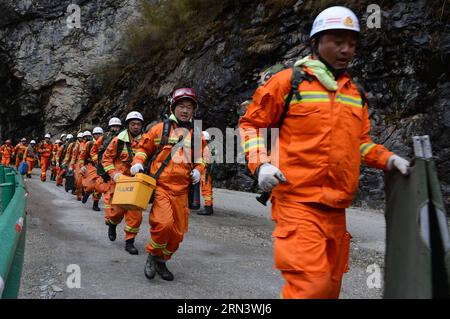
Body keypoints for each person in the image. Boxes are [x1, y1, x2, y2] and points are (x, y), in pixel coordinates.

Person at [238, 6, 410, 299]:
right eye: (338, 41)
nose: (347, 50)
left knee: (329, 290)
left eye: (352, 44)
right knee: (311, 288)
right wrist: (261, 165)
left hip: (336, 210)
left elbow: (361, 143)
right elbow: (251, 125)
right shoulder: (288, 82)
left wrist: (388, 159)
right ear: (316, 42)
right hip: (297, 203)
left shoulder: (354, 93)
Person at [130, 87, 206, 281]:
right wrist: (137, 163)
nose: (185, 110)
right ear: (174, 107)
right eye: (181, 106)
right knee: (163, 225)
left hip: (182, 191)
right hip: (162, 187)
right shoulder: (160, 129)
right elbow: (143, 148)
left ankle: (162, 261)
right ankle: (152, 254)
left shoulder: (196, 134)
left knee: (177, 234)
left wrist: (199, 169)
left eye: (189, 107)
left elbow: (202, 157)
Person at [102, 112, 144, 255]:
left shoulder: (146, 141)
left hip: (137, 183)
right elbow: (106, 159)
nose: (136, 127)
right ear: (128, 125)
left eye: (138, 124)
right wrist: (114, 174)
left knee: (135, 215)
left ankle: (130, 241)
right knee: (116, 212)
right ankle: (112, 224)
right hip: (120, 182)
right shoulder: (118, 141)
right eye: (133, 124)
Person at [91, 117, 123, 223]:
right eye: (113, 126)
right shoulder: (104, 137)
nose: (115, 128)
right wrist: (98, 163)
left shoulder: (123, 137)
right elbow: (94, 150)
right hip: (105, 168)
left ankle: (113, 216)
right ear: (109, 127)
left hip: (118, 169)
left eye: (117, 126)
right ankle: (108, 217)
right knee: (106, 192)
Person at [80, 127, 104, 211]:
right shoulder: (89, 144)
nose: (98, 136)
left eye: (100, 134)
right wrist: (82, 165)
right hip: (90, 165)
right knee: (91, 185)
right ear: (93, 135)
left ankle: (95, 203)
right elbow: (82, 156)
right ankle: (87, 192)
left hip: (101, 166)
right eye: (96, 134)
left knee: (99, 185)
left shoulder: (105, 143)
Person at [197, 131, 214, 216]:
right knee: (208, 190)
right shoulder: (209, 147)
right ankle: (209, 206)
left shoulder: (206, 148)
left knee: (206, 189)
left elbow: (205, 161)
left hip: (206, 172)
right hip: (208, 171)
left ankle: (208, 208)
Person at [70, 132, 86, 200]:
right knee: (78, 180)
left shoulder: (87, 144)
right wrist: (71, 165)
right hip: (77, 163)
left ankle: (82, 193)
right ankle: (79, 194)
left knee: (84, 180)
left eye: (82, 138)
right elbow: (74, 156)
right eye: (80, 138)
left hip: (85, 164)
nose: (81, 139)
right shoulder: (76, 145)